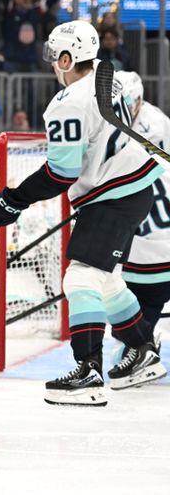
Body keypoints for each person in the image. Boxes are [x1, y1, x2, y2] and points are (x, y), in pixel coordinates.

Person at [0, 20, 166, 407]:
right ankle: (142, 350)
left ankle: (88, 370)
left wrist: (13, 199)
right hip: (132, 189)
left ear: (67, 59)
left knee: (80, 276)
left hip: (114, 194)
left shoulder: (67, 104)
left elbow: (61, 174)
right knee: (106, 279)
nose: (52, 64)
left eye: (55, 56)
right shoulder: (106, 73)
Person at [114, 70, 170, 355]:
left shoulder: (155, 125)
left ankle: (141, 341)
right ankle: (142, 338)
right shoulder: (118, 120)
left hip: (151, 233)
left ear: (137, 101)